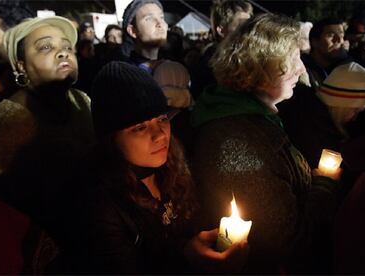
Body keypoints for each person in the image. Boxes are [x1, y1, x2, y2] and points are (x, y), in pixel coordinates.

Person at [65, 61, 249, 274]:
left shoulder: (174, 165)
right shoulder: (100, 203)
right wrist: (185, 256)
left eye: (162, 119)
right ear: (111, 138)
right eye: (141, 127)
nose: (160, 134)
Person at [191, 13, 338, 274]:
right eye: (291, 59)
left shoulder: (254, 119)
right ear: (258, 66)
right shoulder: (234, 142)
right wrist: (324, 186)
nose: (301, 69)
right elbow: (286, 242)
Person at [0, 16, 95, 239]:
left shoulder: (83, 101)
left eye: (67, 46)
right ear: (21, 65)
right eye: (46, 47)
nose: (63, 53)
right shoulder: (7, 120)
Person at [279, 62, 365, 168]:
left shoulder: (323, 118)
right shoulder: (312, 128)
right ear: (341, 104)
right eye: (355, 110)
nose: (355, 117)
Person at [191, 0, 253, 100]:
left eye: (249, 25)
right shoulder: (209, 65)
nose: (248, 31)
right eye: (241, 25)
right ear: (221, 30)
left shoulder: (247, 58)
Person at [302, 17, 351, 90]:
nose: (340, 40)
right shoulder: (302, 72)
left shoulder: (347, 68)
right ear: (315, 42)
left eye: (341, 35)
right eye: (331, 36)